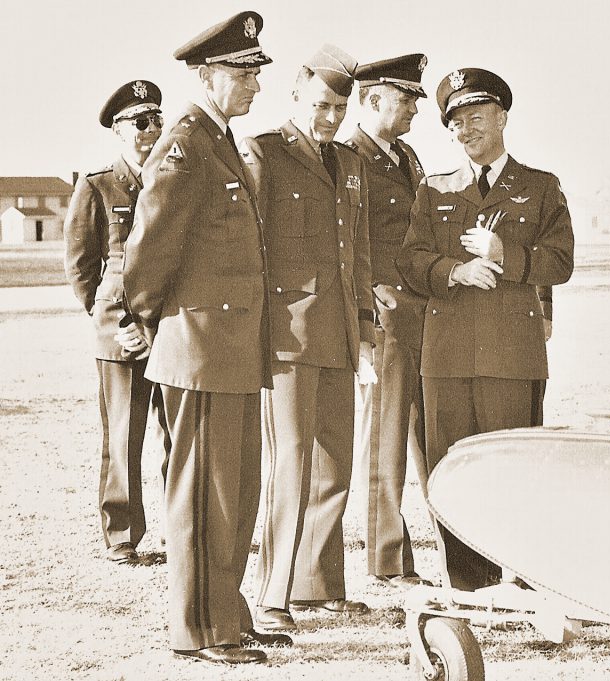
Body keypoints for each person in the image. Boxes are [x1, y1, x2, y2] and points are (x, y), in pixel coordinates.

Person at [121, 10, 289, 664]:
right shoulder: (186, 144)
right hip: (198, 351)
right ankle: (197, 628)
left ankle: (227, 610)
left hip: (233, 351)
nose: (254, 84)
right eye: (243, 72)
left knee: (236, 491)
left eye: (255, 72)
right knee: (201, 495)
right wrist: (162, 328)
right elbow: (146, 252)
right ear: (206, 74)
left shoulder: (219, 141)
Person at [396, 68, 574, 591]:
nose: (465, 129)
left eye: (475, 116)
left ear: (502, 117)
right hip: (446, 357)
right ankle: (469, 583)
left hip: (511, 356)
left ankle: (520, 575)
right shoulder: (433, 190)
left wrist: (505, 255)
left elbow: (560, 262)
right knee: (450, 472)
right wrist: (453, 270)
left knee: (513, 468)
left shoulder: (539, 187)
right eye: (454, 122)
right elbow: (410, 260)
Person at [242, 44, 375, 633]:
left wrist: (366, 329)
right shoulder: (265, 154)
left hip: (341, 337)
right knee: (290, 464)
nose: (329, 117)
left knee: (334, 466)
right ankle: (274, 597)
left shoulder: (349, 163)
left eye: (340, 107)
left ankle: (319, 588)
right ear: (296, 94)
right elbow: (253, 253)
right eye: (321, 104)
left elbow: (359, 257)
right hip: (288, 339)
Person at [64, 80, 172, 565]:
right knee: (124, 437)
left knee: (179, 434)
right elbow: (82, 266)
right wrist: (110, 320)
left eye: (156, 120)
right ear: (118, 130)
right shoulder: (98, 184)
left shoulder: (174, 177)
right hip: (122, 334)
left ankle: (183, 528)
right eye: (139, 122)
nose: (151, 130)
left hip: (172, 328)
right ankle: (122, 536)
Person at [345, 53, 432, 589]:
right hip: (386, 318)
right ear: (372, 99)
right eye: (406, 100)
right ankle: (386, 558)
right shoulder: (347, 158)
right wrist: (367, 289)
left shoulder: (406, 156)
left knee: (429, 437)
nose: (414, 112)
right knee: (386, 438)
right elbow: (345, 236)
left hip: (424, 313)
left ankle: (454, 553)